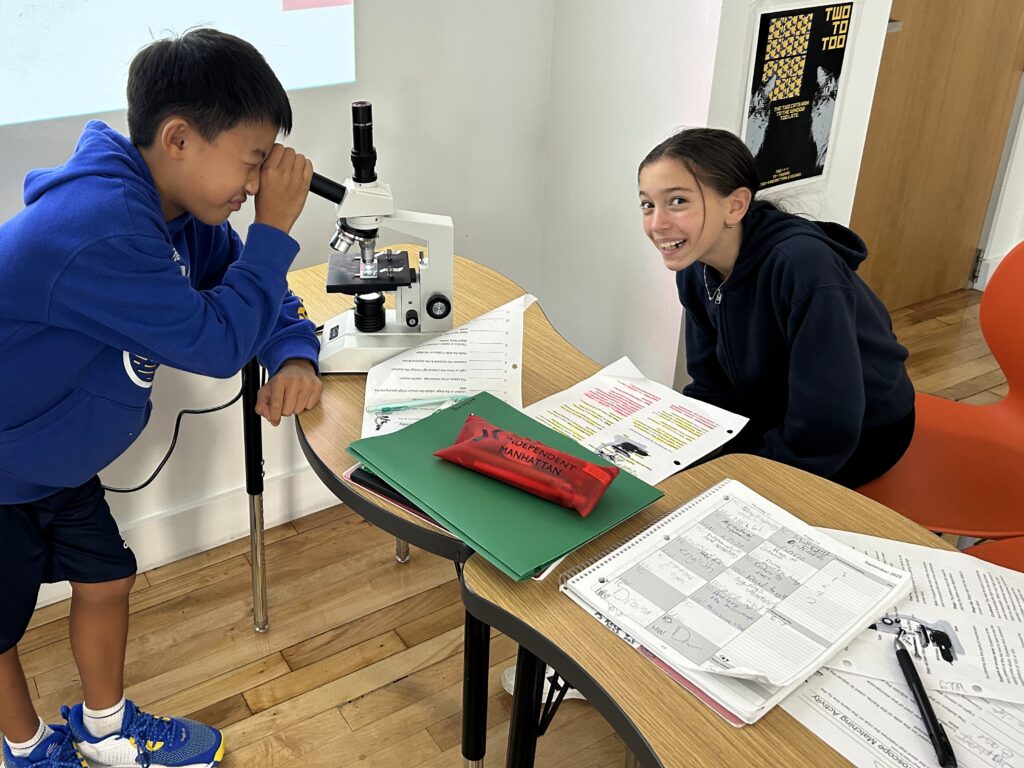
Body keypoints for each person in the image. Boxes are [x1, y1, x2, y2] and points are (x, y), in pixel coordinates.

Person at [0, 29, 322, 767]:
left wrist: (292, 350)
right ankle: (26, 749)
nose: (255, 183)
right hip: (3, 463)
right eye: (251, 159)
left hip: (51, 460)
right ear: (179, 138)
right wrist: (274, 227)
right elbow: (215, 346)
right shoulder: (99, 228)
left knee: (107, 576)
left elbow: (250, 296)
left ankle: (107, 731)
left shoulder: (178, 217)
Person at [638, 128, 914, 488]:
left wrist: (754, 479)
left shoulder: (803, 267)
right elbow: (710, 384)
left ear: (735, 205)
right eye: (647, 204)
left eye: (678, 202)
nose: (657, 223)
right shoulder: (695, 267)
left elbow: (827, 423)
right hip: (770, 412)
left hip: (861, 433)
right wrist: (689, 441)